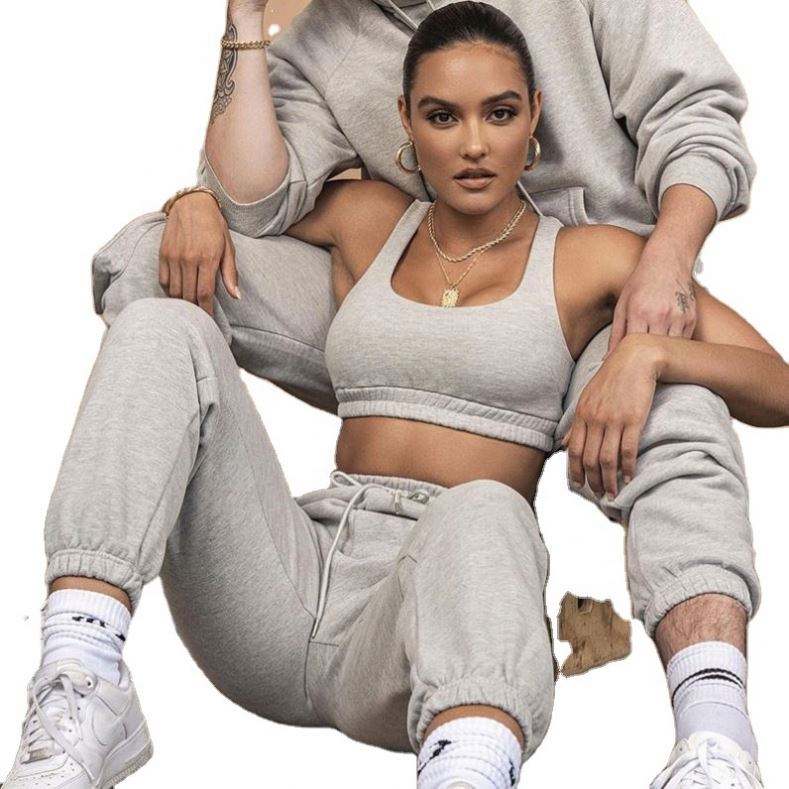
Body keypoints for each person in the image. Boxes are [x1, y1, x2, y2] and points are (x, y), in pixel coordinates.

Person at [4, 5, 786, 788]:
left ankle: (677, 744)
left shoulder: (592, 260)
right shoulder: (369, 219)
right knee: (161, 317)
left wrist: (647, 348)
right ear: (404, 122)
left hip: (420, 634)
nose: (473, 144)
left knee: (492, 507)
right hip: (283, 592)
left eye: (499, 114)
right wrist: (193, 202)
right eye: (443, 117)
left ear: (534, 119)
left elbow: (777, 383)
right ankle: (81, 671)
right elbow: (250, 205)